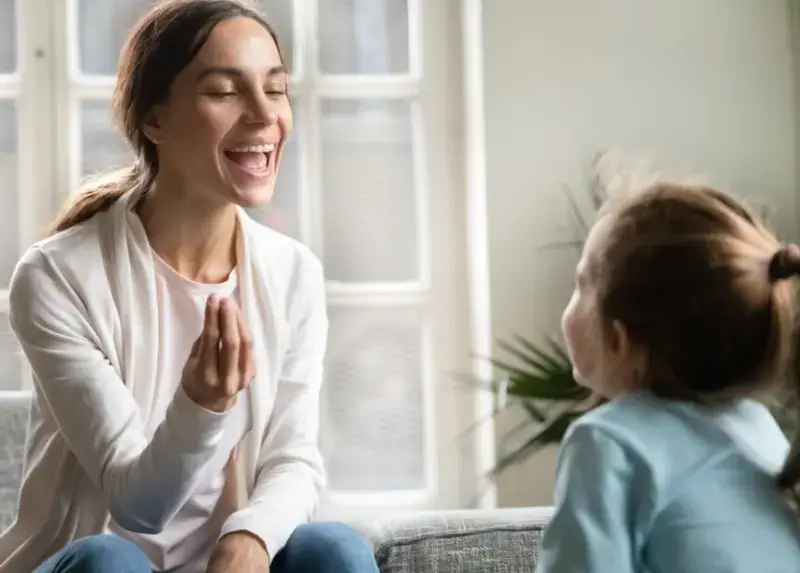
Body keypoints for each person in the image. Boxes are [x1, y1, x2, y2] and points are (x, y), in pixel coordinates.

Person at [0, 1, 379, 572]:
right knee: (110, 561)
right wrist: (203, 407)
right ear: (155, 119)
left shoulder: (292, 273)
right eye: (225, 92)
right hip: (95, 563)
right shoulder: (57, 277)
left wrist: (248, 537)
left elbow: (293, 461)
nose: (262, 115)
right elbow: (137, 506)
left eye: (275, 90)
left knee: (335, 548)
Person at [535, 181, 800, 572]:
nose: (571, 297)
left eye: (581, 283)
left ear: (619, 337)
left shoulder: (609, 443)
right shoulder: (758, 428)